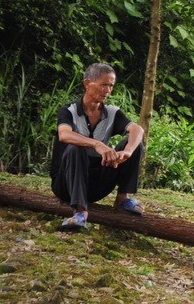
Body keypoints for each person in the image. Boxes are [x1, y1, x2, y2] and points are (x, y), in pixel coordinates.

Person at [51, 62, 146, 231]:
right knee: (74, 147)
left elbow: (137, 129)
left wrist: (127, 152)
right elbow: (64, 134)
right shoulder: (68, 110)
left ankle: (123, 198)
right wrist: (97, 144)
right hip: (66, 185)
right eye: (104, 85)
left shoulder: (112, 112)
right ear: (88, 83)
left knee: (135, 143)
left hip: (97, 186)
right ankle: (80, 212)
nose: (108, 90)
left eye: (111, 86)